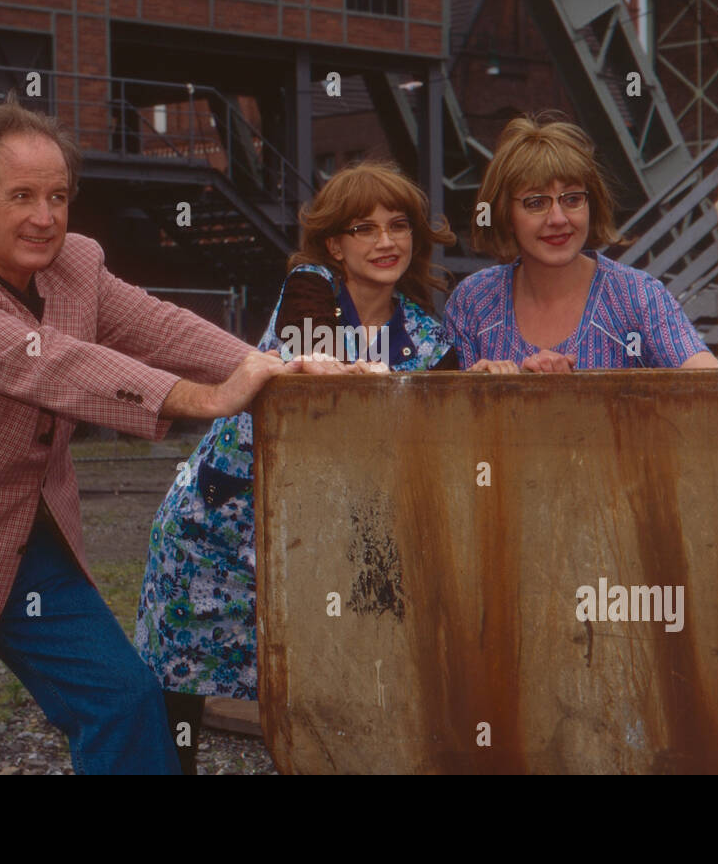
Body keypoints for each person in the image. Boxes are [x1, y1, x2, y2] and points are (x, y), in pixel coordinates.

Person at [0, 93, 326, 775]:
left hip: (26, 544)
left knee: (123, 699)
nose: (44, 217)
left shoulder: (73, 265)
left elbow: (156, 324)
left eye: (58, 195)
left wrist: (272, 370)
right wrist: (209, 397)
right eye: (21, 195)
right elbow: (54, 364)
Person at [135, 162, 502, 774]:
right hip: (219, 524)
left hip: (318, 539)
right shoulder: (311, 287)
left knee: (321, 675)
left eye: (398, 225)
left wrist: (479, 382)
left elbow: (439, 433)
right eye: (364, 228)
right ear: (336, 244)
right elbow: (310, 359)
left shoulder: (429, 340)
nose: (385, 241)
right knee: (181, 681)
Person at [445, 113, 718, 372]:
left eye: (572, 198)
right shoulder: (473, 302)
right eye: (536, 203)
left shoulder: (636, 297)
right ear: (504, 213)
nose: (558, 218)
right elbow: (441, 432)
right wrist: (481, 395)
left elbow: (716, 389)